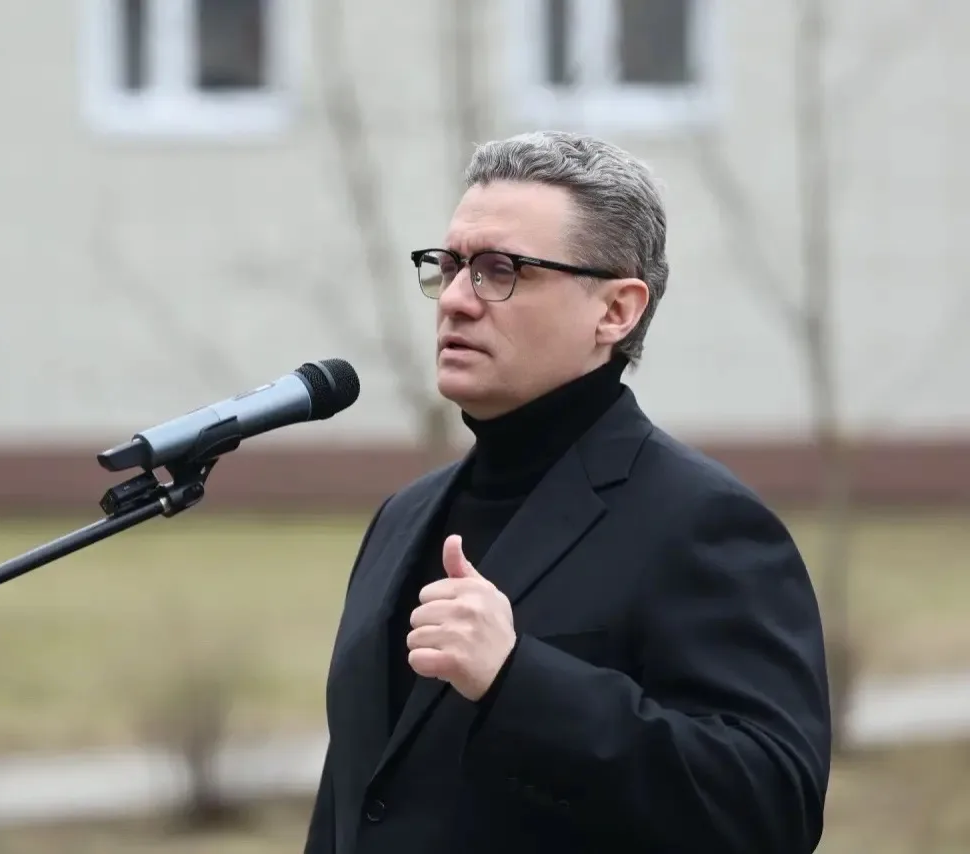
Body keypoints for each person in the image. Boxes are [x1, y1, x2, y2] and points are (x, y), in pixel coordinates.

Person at [303, 130, 832, 854]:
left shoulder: (703, 522)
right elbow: (354, 803)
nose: (455, 300)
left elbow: (769, 806)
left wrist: (516, 680)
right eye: (449, 266)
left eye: (500, 270)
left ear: (616, 311)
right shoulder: (403, 518)